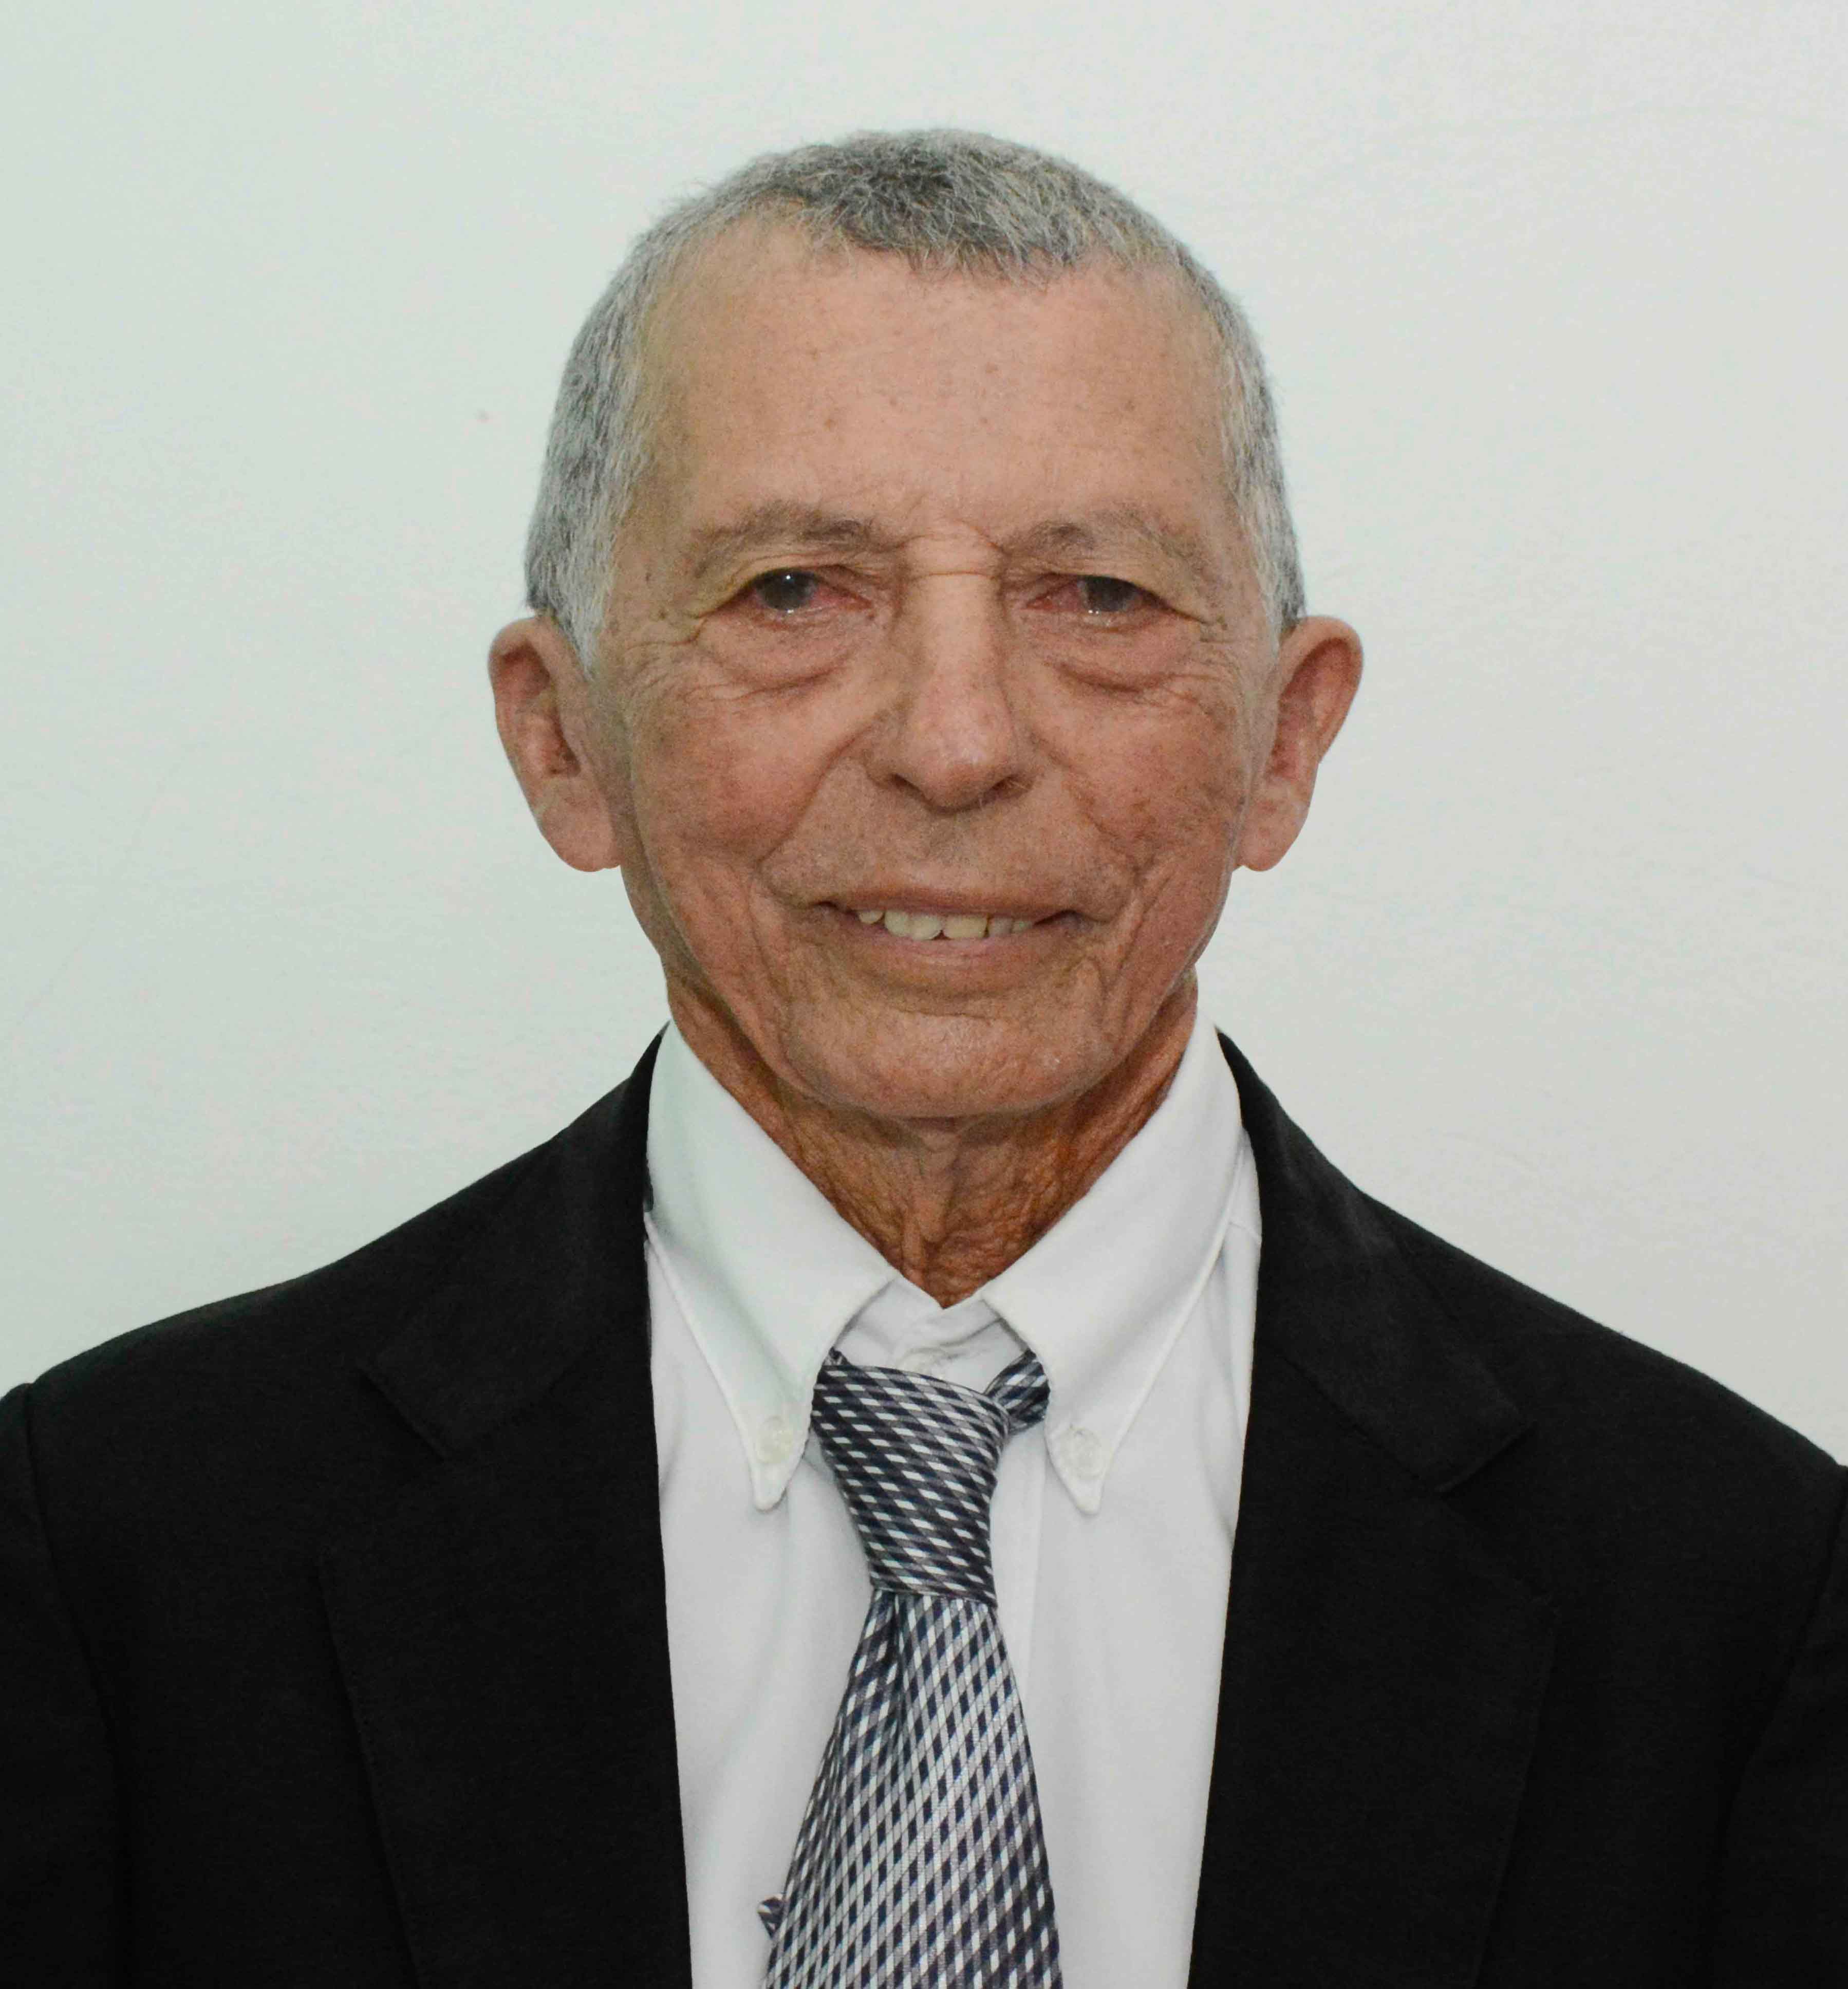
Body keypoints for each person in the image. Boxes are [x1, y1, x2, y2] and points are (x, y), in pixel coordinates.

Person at [2, 129, 1842, 1988]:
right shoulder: (108, 1550)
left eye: (1099, 598)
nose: (956, 746)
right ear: (564, 741)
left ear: (1285, 742)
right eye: (794, 591)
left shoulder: (1740, 1595)